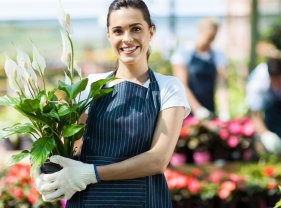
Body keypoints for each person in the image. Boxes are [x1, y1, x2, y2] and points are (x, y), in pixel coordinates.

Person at [35, 0, 190, 207]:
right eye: (118, 31)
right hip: (89, 200)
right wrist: (44, 170)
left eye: (136, 29)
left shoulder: (168, 88)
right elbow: (73, 150)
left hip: (143, 200)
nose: (127, 39)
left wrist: (93, 173)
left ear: (151, 31)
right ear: (109, 35)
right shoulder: (88, 86)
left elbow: (157, 160)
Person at [170, 17, 229, 121]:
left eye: (213, 37)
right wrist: (197, 109)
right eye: (209, 36)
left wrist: (224, 111)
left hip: (209, 109)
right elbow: (181, 85)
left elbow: (221, 86)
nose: (210, 41)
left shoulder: (218, 55)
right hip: (186, 112)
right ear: (200, 31)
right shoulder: (183, 53)